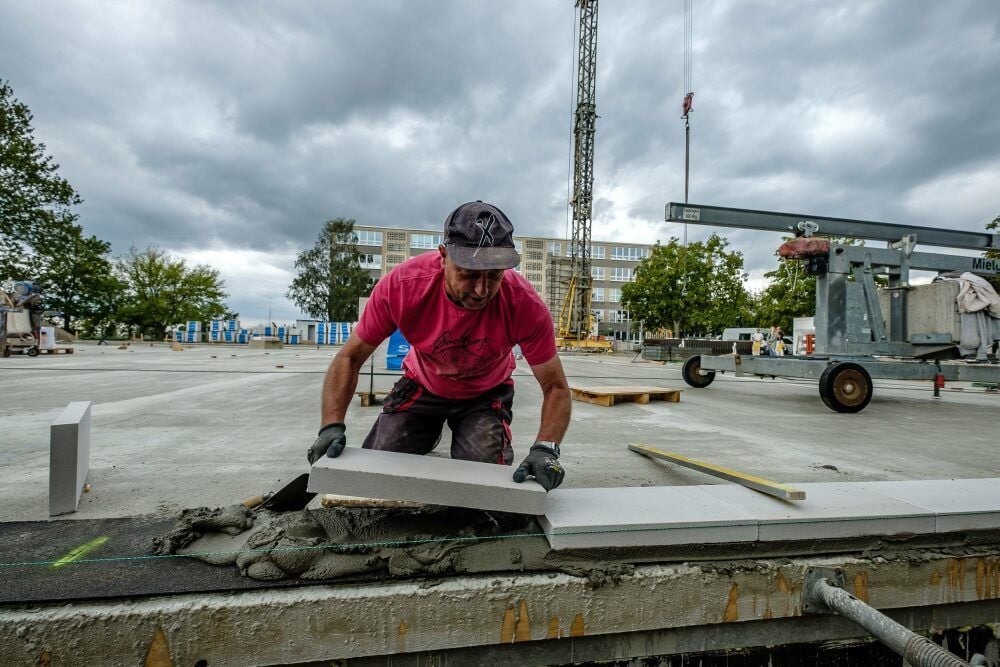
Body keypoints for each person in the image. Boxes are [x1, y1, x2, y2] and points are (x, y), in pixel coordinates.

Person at [307, 201, 572, 491]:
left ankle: (462, 437)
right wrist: (331, 425)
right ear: (443, 256)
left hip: (485, 393)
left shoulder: (524, 304)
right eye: (469, 273)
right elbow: (349, 358)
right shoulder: (403, 287)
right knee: (379, 465)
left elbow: (555, 387)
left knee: (484, 484)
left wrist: (546, 448)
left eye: (494, 275)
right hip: (422, 384)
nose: (482, 290)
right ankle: (424, 430)